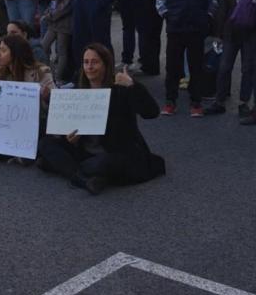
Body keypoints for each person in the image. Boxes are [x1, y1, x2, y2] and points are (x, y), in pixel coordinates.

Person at [38, 43, 164, 194]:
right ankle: (83, 178)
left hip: (115, 151)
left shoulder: (119, 88)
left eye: (95, 62)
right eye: (86, 62)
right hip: (86, 150)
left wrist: (132, 85)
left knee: (95, 164)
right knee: (45, 144)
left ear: (106, 64)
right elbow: (68, 119)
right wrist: (70, 138)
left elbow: (151, 112)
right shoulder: (79, 88)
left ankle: (78, 172)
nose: (89, 67)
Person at [156, 0, 218, 117]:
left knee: (196, 67)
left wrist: (207, 17)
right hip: (175, 29)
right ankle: (170, 100)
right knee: (172, 67)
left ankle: (196, 102)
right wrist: (168, 15)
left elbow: (213, 1)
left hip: (197, 30)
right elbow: (160, 0)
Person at [207, 0, 256, 116]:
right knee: (224, 67)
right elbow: (223, 8)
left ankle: (244, 102)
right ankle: (219, 100)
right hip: (231, 31)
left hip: (250, 32)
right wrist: (218, 33)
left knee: (247, 68)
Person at [0, 35, 55, 136]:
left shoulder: (41, 72)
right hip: (8, 125)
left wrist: (46, 97)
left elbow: (55, 103)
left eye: (3, 50)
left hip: (37, 127)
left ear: (15, 53)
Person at [42, 0, 76, 83]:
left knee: (62, 51)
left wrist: (51, 15)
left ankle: (59, 77)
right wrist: (47, 13)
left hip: (64, 23)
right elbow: (51, 3)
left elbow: (66, 6)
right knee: (43, 46)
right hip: (53, 22)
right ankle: (46, 73)